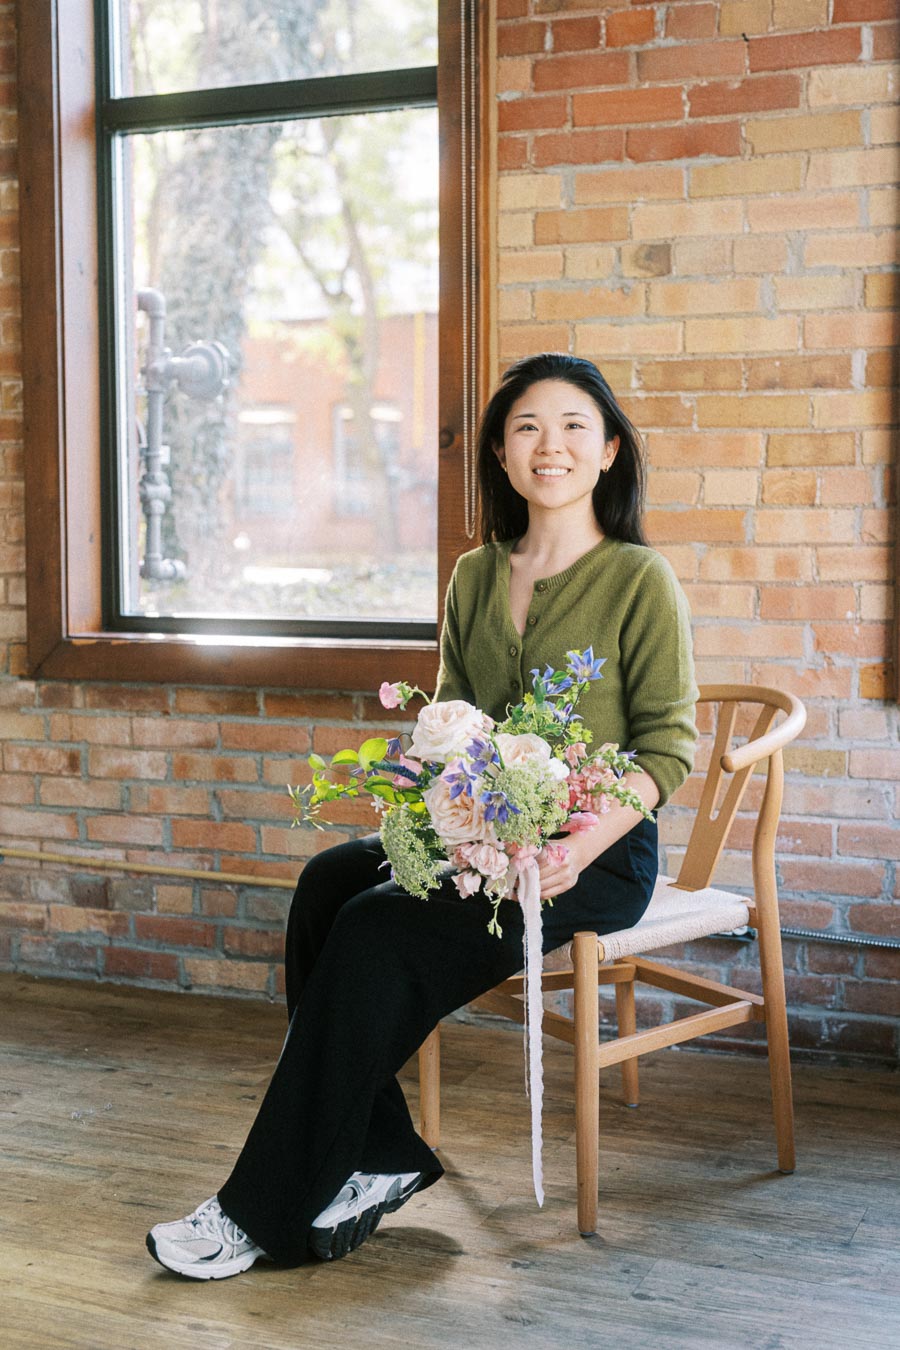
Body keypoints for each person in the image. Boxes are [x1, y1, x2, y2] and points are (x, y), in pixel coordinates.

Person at [146, 352, 698, 1279]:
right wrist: (418, 801)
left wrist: (575, 844)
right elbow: (453, 723)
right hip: (481, 836)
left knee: (375, 928)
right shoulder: (475, 575)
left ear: (608, 451)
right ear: (500, 452)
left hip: (591, 856)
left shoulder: (641, 579)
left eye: (572, 426)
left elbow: (666, 753)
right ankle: (379, 1150)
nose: (549, 445)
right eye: (526, 427)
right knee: (330, 882)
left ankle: (258, 1210)